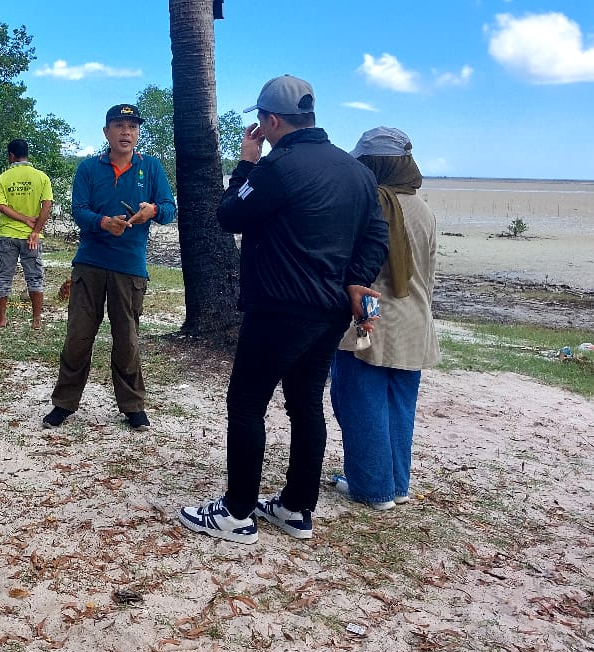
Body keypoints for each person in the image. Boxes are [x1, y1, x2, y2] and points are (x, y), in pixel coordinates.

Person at [179, 75, 389, 545]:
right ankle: (296, 508)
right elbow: (376, 236)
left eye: (262, 123)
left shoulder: (279, 167)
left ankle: (236, 514)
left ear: (271, 120)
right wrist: (357, 281)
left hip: (278, 308)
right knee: (305, 405)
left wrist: (246, 163)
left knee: (247, 403)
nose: (261, 131)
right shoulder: (356, 172)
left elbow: (229, 215)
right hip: (329, 310)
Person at [42, 104, 176, 431]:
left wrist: (152, 209)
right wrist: (102, 222)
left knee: (127, 339)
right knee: (78, 336)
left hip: (130, 266)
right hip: (90, 262)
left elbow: (170, 210)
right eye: (119, 125)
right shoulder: (89, 168)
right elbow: (79, 210)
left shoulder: (153, 168)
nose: (126, 132)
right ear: (106, 132)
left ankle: (133, 406)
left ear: (138, 133)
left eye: (132, 126)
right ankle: (64, 403)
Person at [330, 127, 440, 510]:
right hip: (416, 322)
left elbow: (361, 270)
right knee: (399, 407)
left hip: (373, 320)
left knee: (360, 403)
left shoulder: (370, 204)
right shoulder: (422, 208)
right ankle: (396, 483)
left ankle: (372, 488)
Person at [0, 139, 53, 329]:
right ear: (27, 154)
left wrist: (23, 219)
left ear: (11, 155)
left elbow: (1, 206)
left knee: (4, 277)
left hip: (8, 235)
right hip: (32, 238)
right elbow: (47, 206)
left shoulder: (3, 178)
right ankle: (36, 320)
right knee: (35, 277)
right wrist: (35, 230)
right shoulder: (42, 177)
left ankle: (2, 318)